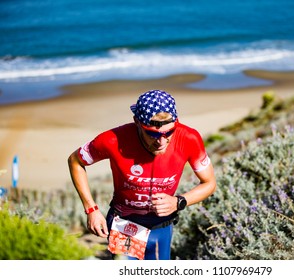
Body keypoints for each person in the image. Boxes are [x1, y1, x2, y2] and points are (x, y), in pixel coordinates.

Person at [68, 89, 216, 260]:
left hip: (162, 226)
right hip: (126, 224)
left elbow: (209, 183)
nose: (161, 141)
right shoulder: (114, 140)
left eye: (169, 132)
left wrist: (179, 202)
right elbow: (75, 161)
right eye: (153, 133)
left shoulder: (189, 138)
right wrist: (91, 209)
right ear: (137, 122)